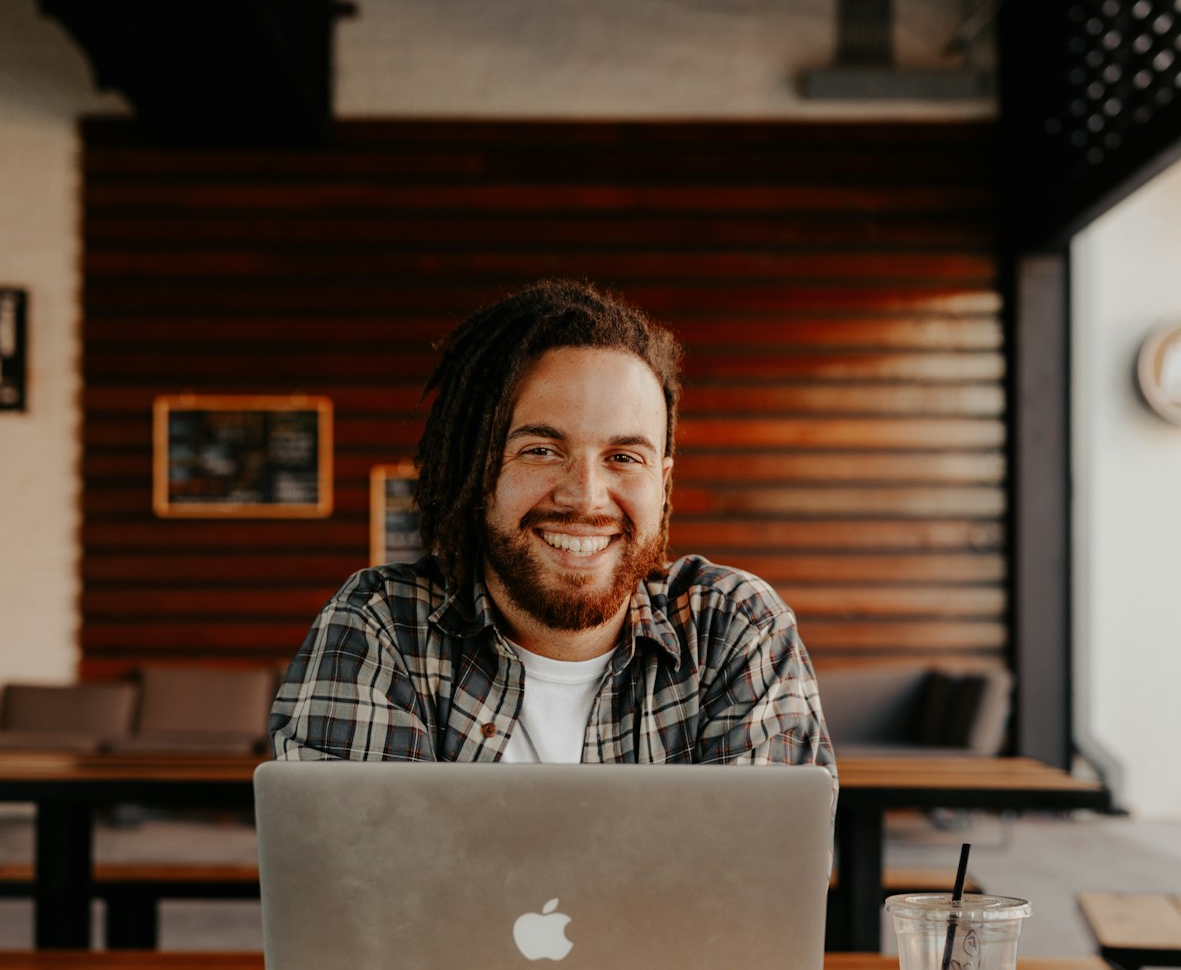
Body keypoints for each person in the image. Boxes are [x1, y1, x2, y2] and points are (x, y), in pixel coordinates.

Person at [270, 279, 834, 791]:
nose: (585, 497)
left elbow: (752, 895)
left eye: (623, 456)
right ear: (476, 466)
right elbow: (359, 890)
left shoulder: (735, 630)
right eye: (541, 450)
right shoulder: (381, 627)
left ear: (663, 483)